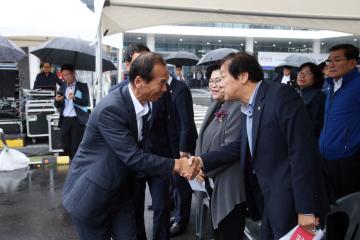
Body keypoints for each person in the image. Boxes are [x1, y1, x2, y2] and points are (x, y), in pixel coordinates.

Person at [62, 53, 201, 240]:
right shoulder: (112, 108)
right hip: (93, 196)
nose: (166, 88)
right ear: (138, 82)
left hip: (122, 193)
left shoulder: (146, 104)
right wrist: (178, 165)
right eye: (161, 82)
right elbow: (133, 157)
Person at [191, 53, 328, 239]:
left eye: (223, 77)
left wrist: (306, 209)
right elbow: (238, 146)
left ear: (243, 76)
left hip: (292, 202)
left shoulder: (280, 96)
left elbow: (302, 153)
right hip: (269, 200)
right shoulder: (249, 106)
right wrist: (200, 160)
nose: (220, 84)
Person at [195, 64, 246, 240]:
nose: (213, 85)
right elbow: (200, 140)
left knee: (228, 232)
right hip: (212, 180)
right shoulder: (216, 105)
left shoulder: (237, 107)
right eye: (211, 81)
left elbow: (231, 149)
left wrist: (201, 167)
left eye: (219, 80)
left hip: (230, 186)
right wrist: (197, 165)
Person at [319, 44, 360, 199]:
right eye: (330, 60)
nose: (331, 64)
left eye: (337, 60)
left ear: (352, 62)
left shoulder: (357, 85)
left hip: (348, 160)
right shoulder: (332, 85)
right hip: (326, 157)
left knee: (346, 210)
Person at [168, 68, 198, 237]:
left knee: (182, 184)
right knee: (174, 183)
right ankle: (176, 212)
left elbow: (187, 122)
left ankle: (182, 219)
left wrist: (184, 151)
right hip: (169, 145)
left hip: (181, 146)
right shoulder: (164, 89)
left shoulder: (180, 89)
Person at [54, 64, 89, 160]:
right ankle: (70, 161)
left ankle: (74, 167)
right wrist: (57, 100)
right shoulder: (62, 87)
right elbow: (57, 105)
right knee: (64, 144)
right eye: (64, 75)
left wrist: (75, 97)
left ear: (73, 73)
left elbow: (86, 102)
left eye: (68, 74)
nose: (66, 77)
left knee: (75, 146)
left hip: (77, 120)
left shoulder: (82, 86)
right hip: (65, 119)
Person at [296, 62, 326, 138]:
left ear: (315, 78)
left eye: (307, 73)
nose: (302, 75)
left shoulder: (319, 96)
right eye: (300, 72)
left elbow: (317, 124)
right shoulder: (297, 93)